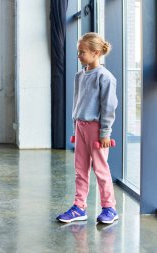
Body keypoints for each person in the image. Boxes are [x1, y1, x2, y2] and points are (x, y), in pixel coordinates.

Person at [56, 33, 118, 224]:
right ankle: (79, 207)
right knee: (80, 170)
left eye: (82, 52)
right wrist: (76, 130)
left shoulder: (105, 77)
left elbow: (109, 106)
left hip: (97, 129)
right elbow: (78, 103)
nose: (79, 55)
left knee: (101, 169)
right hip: (80, 128)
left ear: (96, 52)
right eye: (78, 51)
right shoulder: (79, 76)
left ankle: (109, 208)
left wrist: (105, 132)